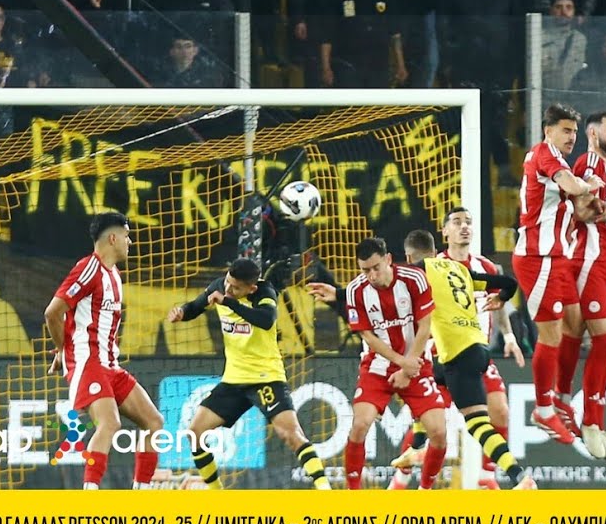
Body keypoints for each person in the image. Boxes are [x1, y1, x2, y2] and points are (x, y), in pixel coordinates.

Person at [388, 208, 525, 490]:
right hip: (440, 353)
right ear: (445, 232)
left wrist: (509, 336)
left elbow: (498, 301)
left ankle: (487, 477)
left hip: (473, 348)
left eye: (468, 222)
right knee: (432, 423)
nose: (464, 227)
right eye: (457, 222)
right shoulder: (433, 265)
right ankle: (401, 480)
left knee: (499, 410)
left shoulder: (484, 266)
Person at [166, 258, 332, 490]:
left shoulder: (264, 292)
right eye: (227, 282)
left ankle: (325, 490)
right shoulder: (219, 287)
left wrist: (228, 302)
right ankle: (216, 493)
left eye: (235, 288)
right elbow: (195, 306)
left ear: (251, 288)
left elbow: (266, 320)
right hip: (233, 380)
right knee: (195, 433)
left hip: (266, 377)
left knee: (291, 434)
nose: (228, 289)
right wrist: (181, 312)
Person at [305, 238, 449, 490]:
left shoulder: (414, 279)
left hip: (416, 361)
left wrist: (408, 367)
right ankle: (354, 494)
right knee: (360, 425)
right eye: (365, 270)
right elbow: (368, 337)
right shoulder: (355, 290)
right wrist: (400, 363)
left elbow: (425, 326)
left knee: (438, 432)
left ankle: (425, 491)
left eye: (376, 268)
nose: (371, 275)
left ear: (388, 259)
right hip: (378, 366)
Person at [44, 211, 164, 490]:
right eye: (126, 236)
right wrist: (62, 350)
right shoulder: (89, 268)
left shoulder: (115, 276)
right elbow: (52, 313)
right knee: (110, 423)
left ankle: (142, 491)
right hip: (88, 363)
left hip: (110, 365)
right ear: (112, 238)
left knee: (154, 422)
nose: (130, 242)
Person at [514, 102, 604, 447]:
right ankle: (543, 409)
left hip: (557, 258)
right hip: (537, 258)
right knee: (550, 334)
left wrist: (587, 197)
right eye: (566, 130)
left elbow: (571, 199)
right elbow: (572, 185)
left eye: (574, 132)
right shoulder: (545, 155)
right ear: (548, 130)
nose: (571, 137)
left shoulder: (556, 160)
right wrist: (589, 184)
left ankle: (561, 399)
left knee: (574, 322)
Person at [559, 110, 606, 460]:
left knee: (602, 341)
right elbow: (583, 212)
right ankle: (585, 417)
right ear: (592, 133)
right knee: (601, 339)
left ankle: (586, 415)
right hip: (589, 259)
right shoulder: (587, 165)